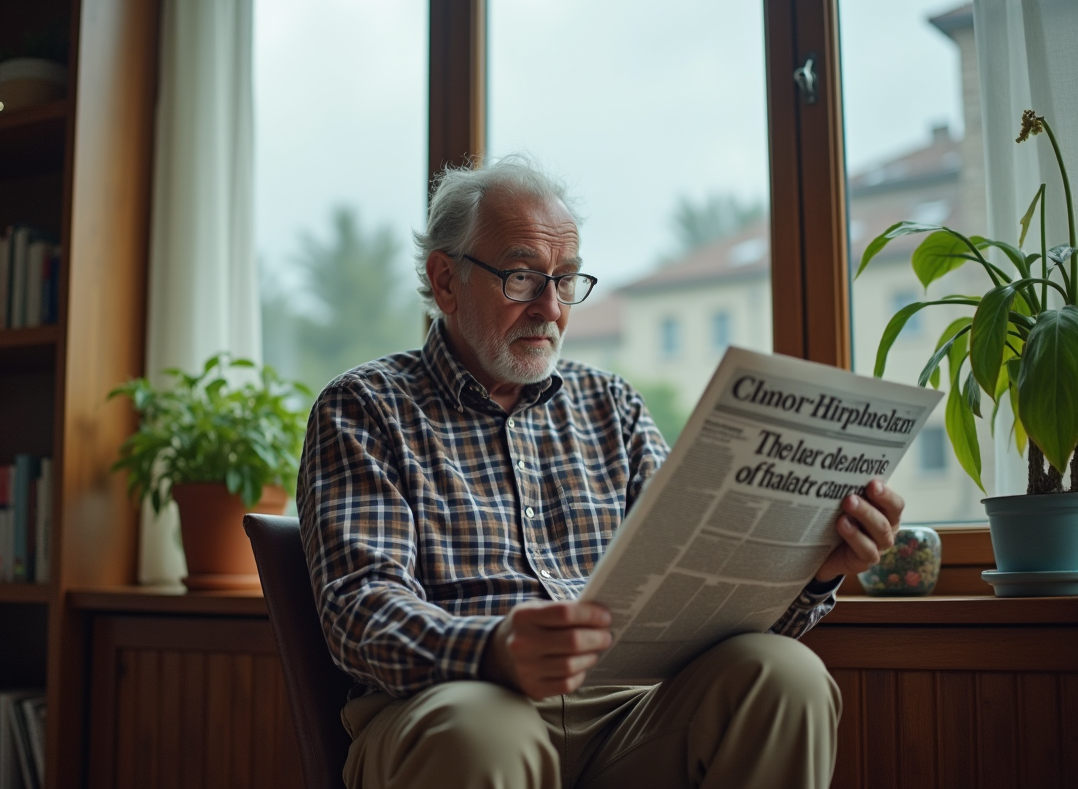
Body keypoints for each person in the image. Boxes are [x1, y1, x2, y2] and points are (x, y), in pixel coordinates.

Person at [296, 155, 905, 789]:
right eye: (523, 276)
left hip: (623, 713)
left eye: (566, 280)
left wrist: (813, 573)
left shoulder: (611, 405)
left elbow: (701, 598)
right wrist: (492, 651)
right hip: (447, 704)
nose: (550, 308)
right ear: (445, 281)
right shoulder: (365, 407)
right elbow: (359, 612)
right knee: (485, 728)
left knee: (784, 674)